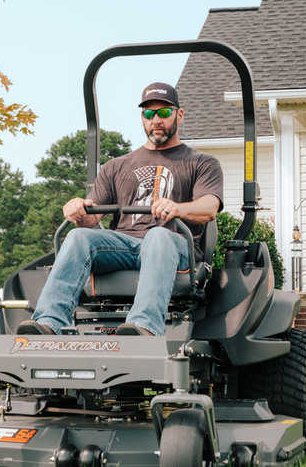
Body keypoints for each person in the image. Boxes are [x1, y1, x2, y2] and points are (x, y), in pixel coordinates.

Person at [17, 82, 223, 336]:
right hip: (124, 245)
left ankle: (144, 326)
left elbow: (209, 207)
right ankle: (48, 322)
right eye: (149, 114)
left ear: (179, 115)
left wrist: (178, 209)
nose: (156, 119)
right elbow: (90, 220)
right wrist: (76, 209)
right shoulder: (117, 166)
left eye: (164, 112)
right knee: (78, 236)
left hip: (173, 246)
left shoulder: (201, 163)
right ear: (142, 118)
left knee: (157, 236)